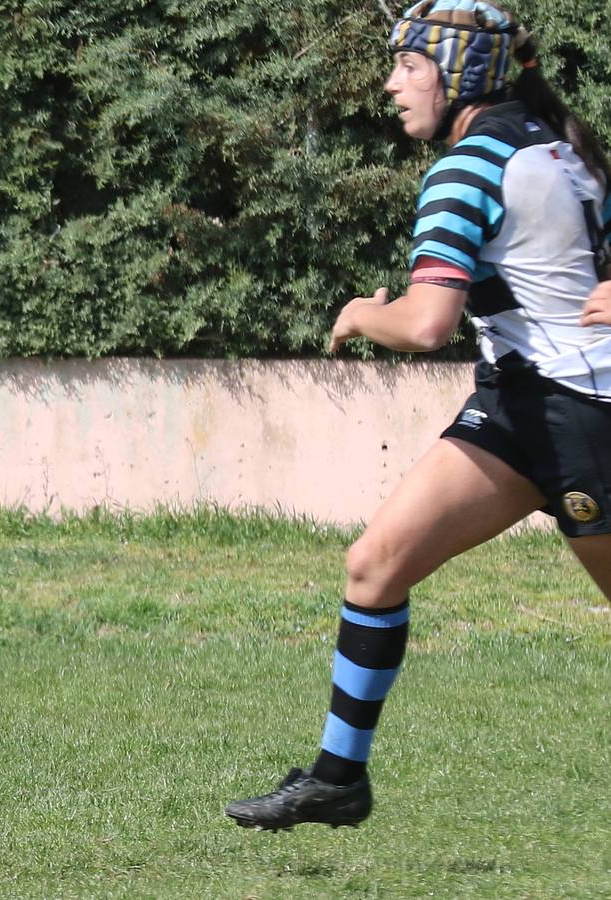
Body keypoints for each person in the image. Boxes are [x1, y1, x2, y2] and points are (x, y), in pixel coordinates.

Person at [225, 0, 611, 831]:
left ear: (460, 73)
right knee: (375, 564)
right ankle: (337, 779)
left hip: (583, 415)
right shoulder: (559, 146)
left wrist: (364, 314)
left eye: (408, 65)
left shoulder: (469, 166)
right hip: (519, 406)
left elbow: (427, 324)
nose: (391, 85)